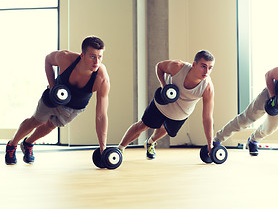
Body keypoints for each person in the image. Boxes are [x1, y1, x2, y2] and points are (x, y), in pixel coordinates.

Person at [5, 36, 110, 165]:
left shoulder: (102, 79)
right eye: (92, 56)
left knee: (51, 125)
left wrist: (103, 148)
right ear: (82, 55)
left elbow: (101, 115)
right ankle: (12, 145)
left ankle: (28, 143)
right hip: (53, 98)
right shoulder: (65, 58)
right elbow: (48, 60)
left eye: (100, 57)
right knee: (36, 121)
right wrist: (52, 86)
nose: (96, 61)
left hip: (74, 107)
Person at [118, 50, 215, 159]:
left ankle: (150, 142)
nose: (206, 71)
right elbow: (159, 67)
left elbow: (207, 118)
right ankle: (120, 149)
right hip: (162, 105)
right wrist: (164, 85)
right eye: (203, 66)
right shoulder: (178, 67)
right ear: (194, 65)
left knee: (165, 128)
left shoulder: (207, 88)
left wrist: (210, 144)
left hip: (180, 114)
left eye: (210, 68)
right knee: (142, 125)